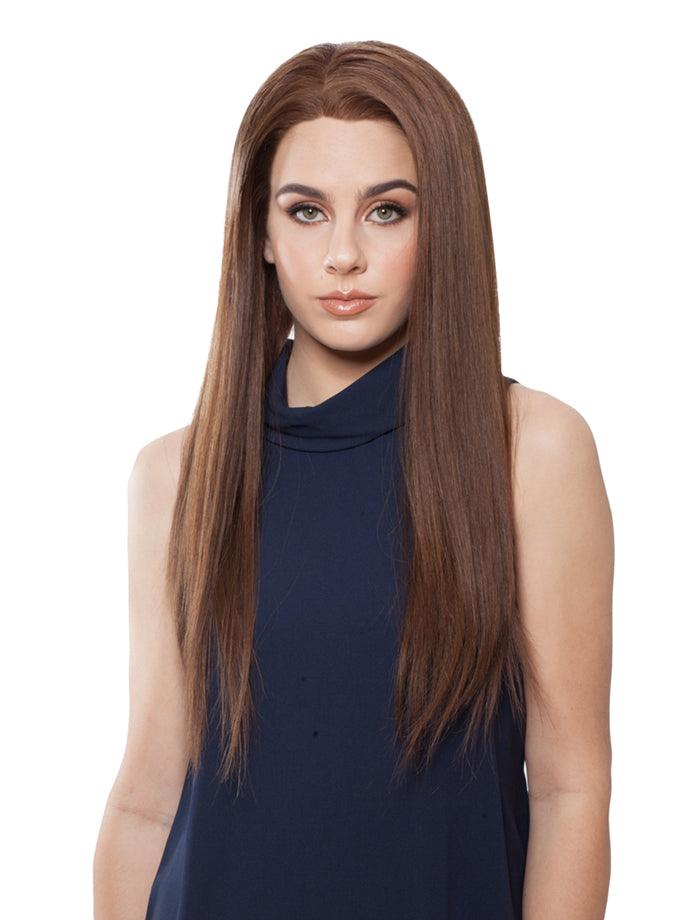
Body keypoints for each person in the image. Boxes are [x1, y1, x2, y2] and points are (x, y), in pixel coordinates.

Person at [93, 40, 613, 920]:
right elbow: (147, 797)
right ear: (260, 233)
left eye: (386, 211)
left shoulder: (530, 449)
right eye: (306, 211)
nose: (343, 254)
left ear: (441, 226)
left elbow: (571, 788)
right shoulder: (176, 476)